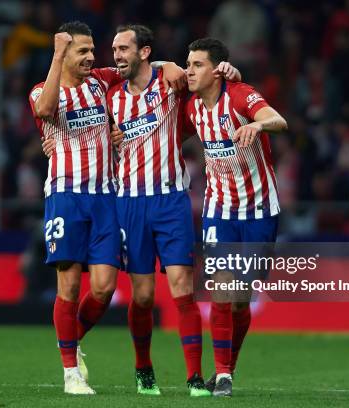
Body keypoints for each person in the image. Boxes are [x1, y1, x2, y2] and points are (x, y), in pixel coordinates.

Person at [29, 21, 185, 395]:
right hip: (66, 196)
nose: (92, 58)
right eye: (82, 51)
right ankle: (71, 374)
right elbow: (46, 109)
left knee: (103, 288)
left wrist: (170, 66)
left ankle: (70, 340)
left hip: (105, 197)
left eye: (92, 50)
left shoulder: (100, 81)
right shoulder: (41, 90)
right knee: (67, 286)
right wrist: (55, 56)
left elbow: (138, 64)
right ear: (64, 55)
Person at [106, 25, 241, 397]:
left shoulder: (171, 84)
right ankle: (143, 367)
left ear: (144, 52)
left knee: (183, 288)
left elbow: (207, 81)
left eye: (123, 49)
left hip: (171, 201)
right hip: (130, 203)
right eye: (114, 49)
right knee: (144, 296)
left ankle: (194, 377)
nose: (116, 55)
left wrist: (227, 71)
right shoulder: (110, 97)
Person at [184, 37, 288, 396]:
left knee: (242, 298)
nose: (189, 71)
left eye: (197, 65)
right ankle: (223, 374)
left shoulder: (241, 95)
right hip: (219, 209)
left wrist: (258, 126)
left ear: (217, 70)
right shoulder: (192, 108)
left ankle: (229, 366)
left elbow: (279, 120)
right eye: (188, 64)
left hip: (259, 209)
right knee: (223, 291)